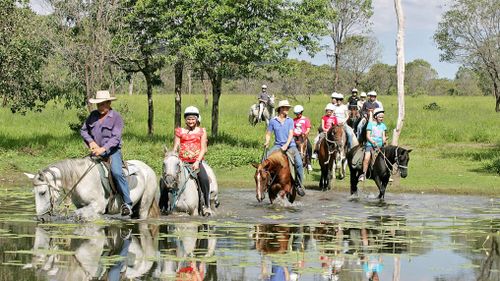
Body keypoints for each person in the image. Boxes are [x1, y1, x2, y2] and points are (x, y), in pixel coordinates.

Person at [80, 90, 133, 217]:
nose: (101, 107)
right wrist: (91, 142)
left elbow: (116, 138)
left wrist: (102, 149)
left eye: (103, 104)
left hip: (112, 152)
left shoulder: (116, 117)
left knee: (116, 172)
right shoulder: (92, 115)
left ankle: (128, 203)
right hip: (95, 151)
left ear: (109, 103)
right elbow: (83, 131)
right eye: (99, 104)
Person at [172, 106, 212, 216]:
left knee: (204, 179)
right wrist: (173, 157)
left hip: (196, 162)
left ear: (197, 119)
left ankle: (207, 206)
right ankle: (164, 205)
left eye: (193, 119)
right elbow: (175, 147)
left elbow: (203, 148)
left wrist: (197, 162)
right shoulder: (179, 131)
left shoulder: (202, 131)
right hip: (181, 162)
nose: (191, 121)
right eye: (188, 119)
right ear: (185, 119)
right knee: (166, 178)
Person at [264, 100, 305, 196]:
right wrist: (267, 141)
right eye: (286, 108)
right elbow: (268, 133)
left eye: (288, 108)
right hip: (278, 145)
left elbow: (291, 133)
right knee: (265, 160)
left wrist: (287, 144)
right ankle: (266, 183)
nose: (288, 110)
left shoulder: (290, 120)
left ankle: (299, 185)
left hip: (291, 145)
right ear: (281, 109)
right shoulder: (273, 121)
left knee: (299, 163)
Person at [359, 108, 387, 182]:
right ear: (375, 117)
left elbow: (383, 136)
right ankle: (363, 174)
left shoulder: (383, 125)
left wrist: (384, 140)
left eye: (382, 117)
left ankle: (387, 174)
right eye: (380, 117)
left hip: (380, 145)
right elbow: (368, 136)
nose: (381, 119)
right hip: (370, 144)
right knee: (367, 158)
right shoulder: (370, 124)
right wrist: (373, 142)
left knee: (386, 158)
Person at [292, 105, 313, 172]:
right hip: (295, 136)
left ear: (301, 112)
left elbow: (308, 128)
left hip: (303, 136)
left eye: (299, 113)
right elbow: (292, 129)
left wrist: (305, 134)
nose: (297, 115)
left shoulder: (306, 119)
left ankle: (309, 162)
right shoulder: (294, 120)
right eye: (296, 114)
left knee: (309, 147)